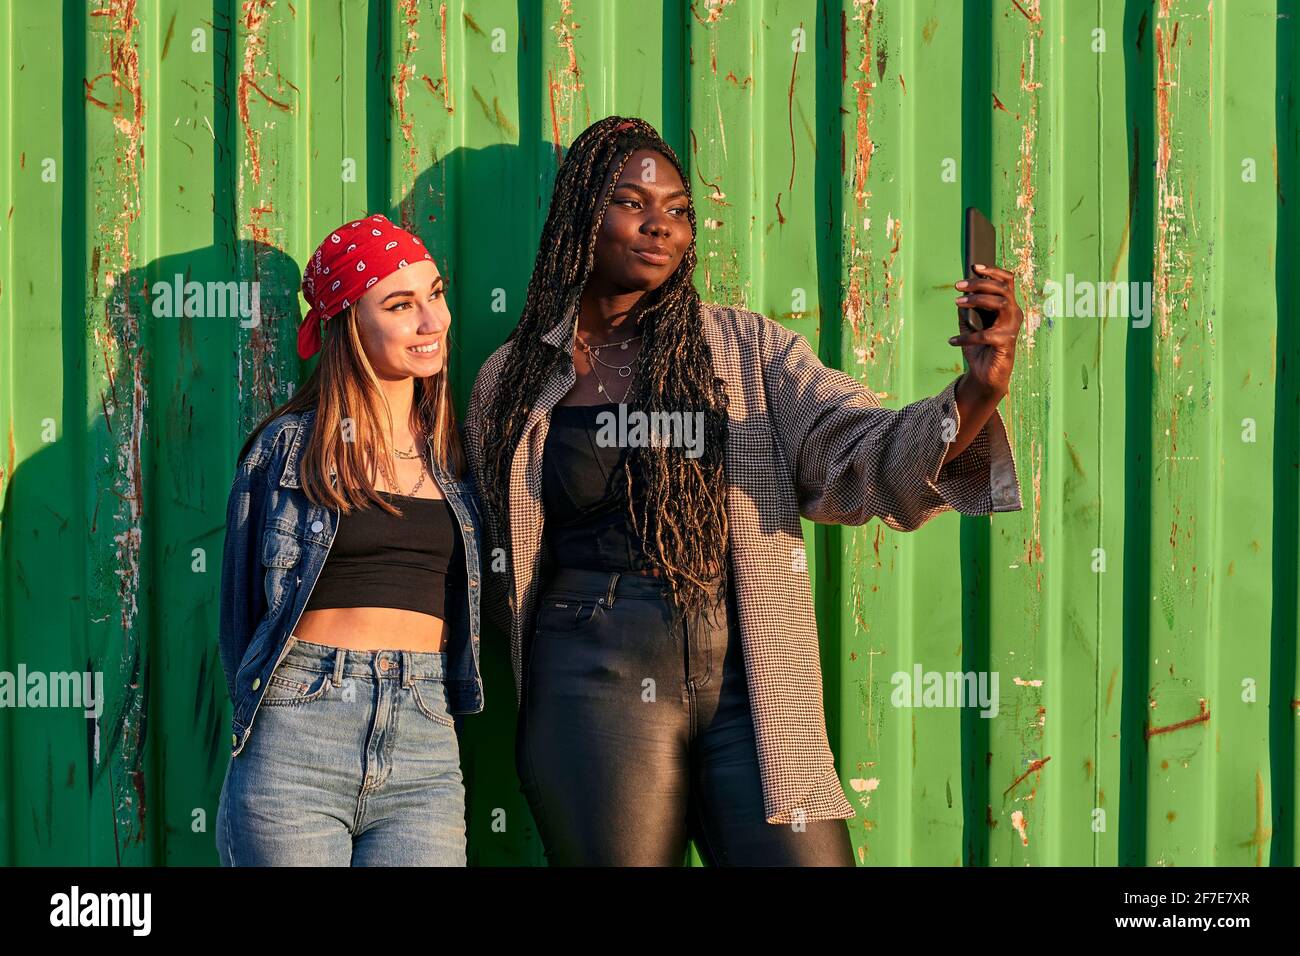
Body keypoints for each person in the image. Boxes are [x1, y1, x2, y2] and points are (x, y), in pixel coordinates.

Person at [465, 116, 1024, 866]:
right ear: (579, 217)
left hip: (748, 678)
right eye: (632, 203)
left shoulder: (747, 349)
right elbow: (482, 545)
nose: (660, 226)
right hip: (590, 682)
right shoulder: (515, 378)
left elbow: (855, 450)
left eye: (678, 212)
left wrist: (975, 393)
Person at [215, 214, 484, 866]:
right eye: (400, 305)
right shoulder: (289, 449)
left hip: (424, 732)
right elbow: (242, 614)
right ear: (349, 324)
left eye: (436, 294)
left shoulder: (453, 452)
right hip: (301, 728)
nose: (432, 321)